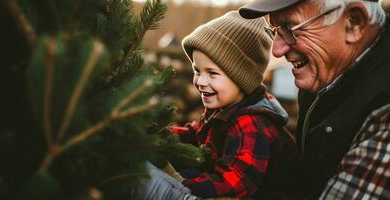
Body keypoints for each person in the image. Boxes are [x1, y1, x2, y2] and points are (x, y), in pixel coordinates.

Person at [136, 11, 299, 199]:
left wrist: (180, 185)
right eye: (197, 71)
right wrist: (159, 136)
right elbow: (196, 134)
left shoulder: (252, 124)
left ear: (242, 78)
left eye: (212, 73)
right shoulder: (226, 108)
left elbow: (234, 182)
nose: (200, 81)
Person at [239, 0, 390, 199]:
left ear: (354, 23)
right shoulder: (325, 74)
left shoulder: (384, 115)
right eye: (275, 30)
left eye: (290, 28)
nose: (277, 50)